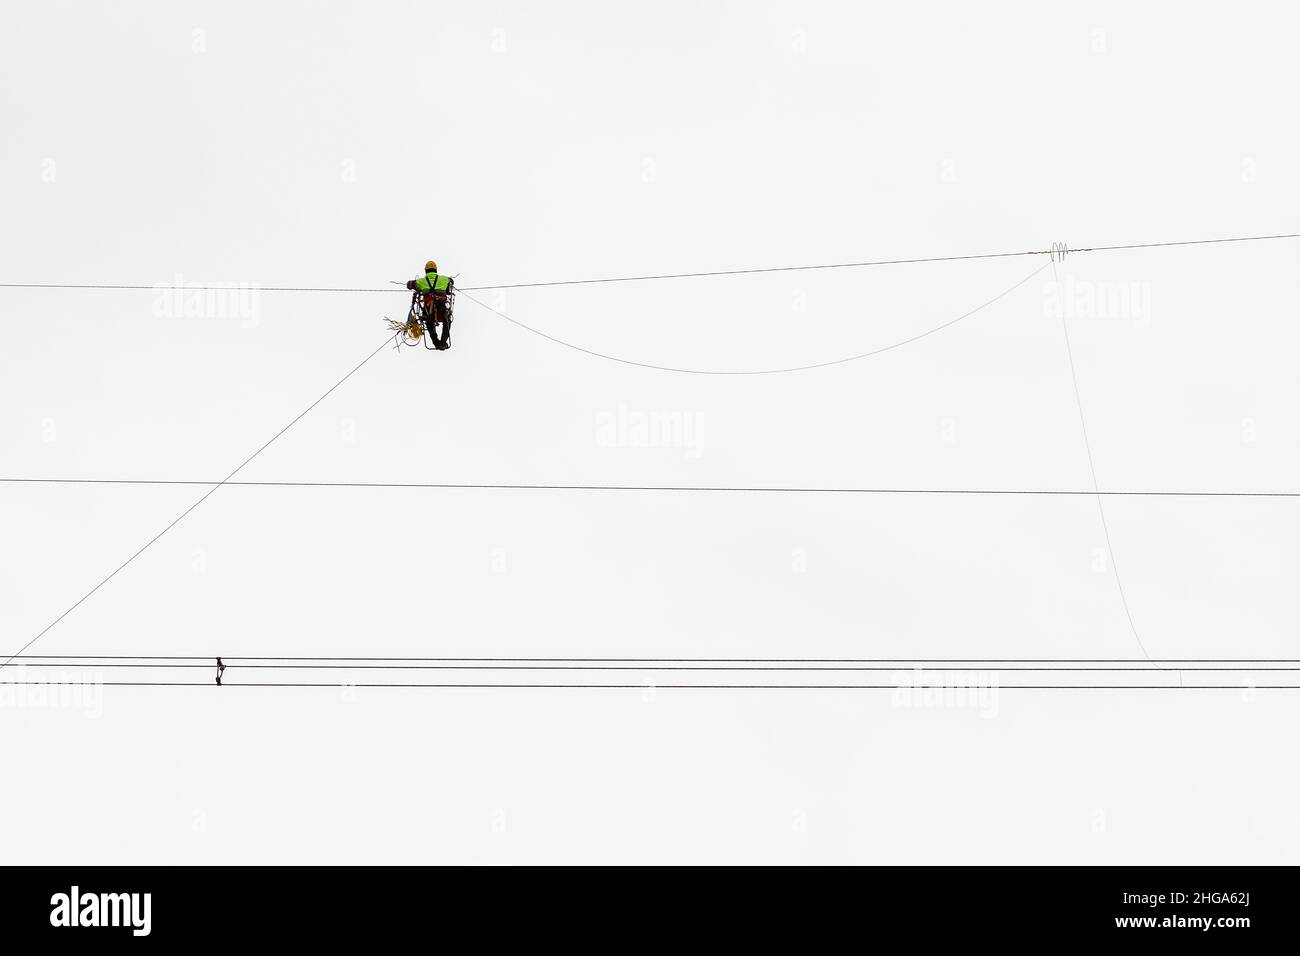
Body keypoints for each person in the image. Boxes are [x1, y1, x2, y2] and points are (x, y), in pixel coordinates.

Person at [405, 260, 454, 350]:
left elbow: (409, 284)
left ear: (426, 271)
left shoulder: (421, 281)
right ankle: (443, 342)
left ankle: (436, 342)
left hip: (428, 310)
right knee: (447, 320)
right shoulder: (444, 279)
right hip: (442, 309)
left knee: (429, 321)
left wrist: (413, 284)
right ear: (435, 270)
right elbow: (451, 281)